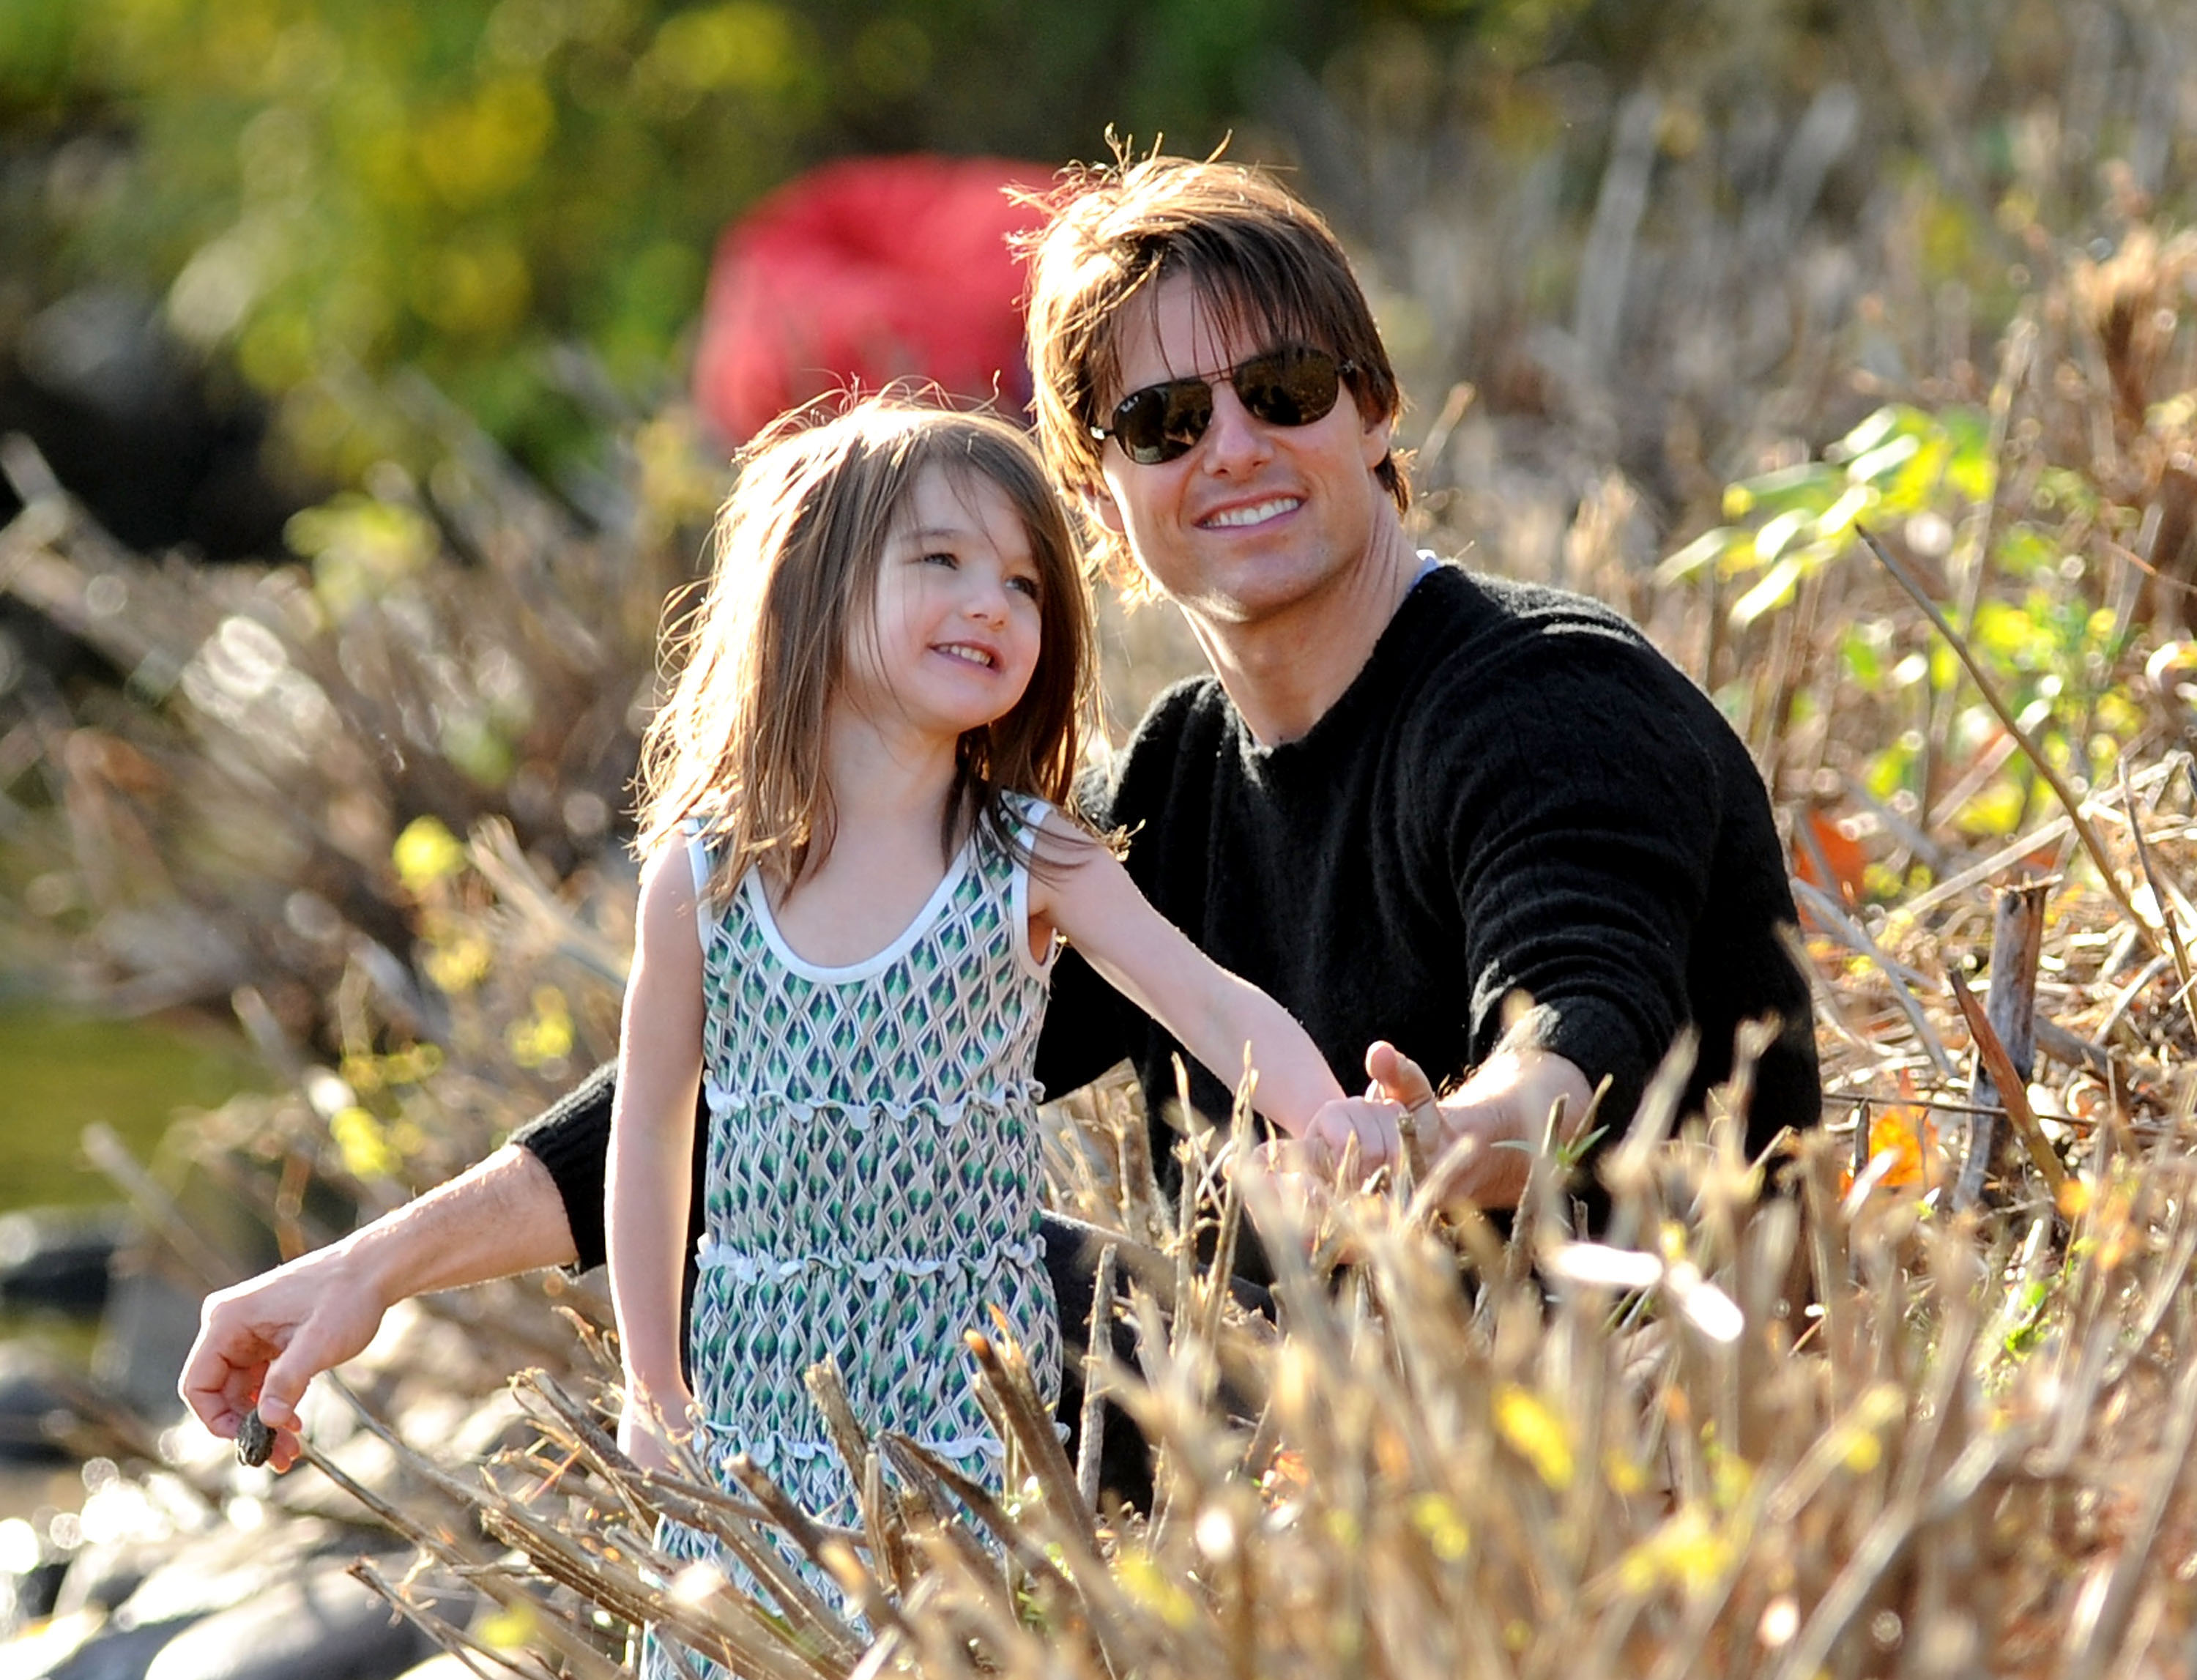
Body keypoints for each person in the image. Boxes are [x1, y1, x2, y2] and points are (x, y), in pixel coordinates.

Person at [182, 152, 1819, 1490]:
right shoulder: (1183, 772)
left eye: (1285, 388)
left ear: (1380, 413)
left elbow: (1583, 1016)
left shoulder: (1546, 701)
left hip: (1609, 1421)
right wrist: (370, 1268)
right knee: (817, 1243)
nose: (1231, 446)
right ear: (1095, 498)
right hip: (1291, 1414)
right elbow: (762, 1071)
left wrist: (1429, 1142)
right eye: (1163, 423)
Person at [604, 396, 1394, 1680]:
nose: (992, 604)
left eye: (1025, 583)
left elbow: (1209, 1003)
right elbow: (649, 1138)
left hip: (963, 1389)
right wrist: (652, 1383)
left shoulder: (1030, 856)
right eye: (941, 563)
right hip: (753, 1394)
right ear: (813, 585)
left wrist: (1328, 1115)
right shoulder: (705, 872)